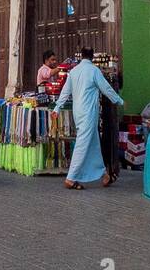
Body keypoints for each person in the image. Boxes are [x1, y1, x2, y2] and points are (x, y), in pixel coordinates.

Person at [51, 48, 123, 190]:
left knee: (94, 144)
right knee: (83, 144)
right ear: (91, 57)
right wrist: (119, 100)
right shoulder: (94, 71)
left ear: (82, 56)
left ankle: (104, 175)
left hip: (77, 112)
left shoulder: (74, 71)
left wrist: (57, 107)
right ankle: (71, 178)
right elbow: (106, 89)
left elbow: (65, 91)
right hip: (89, 113)